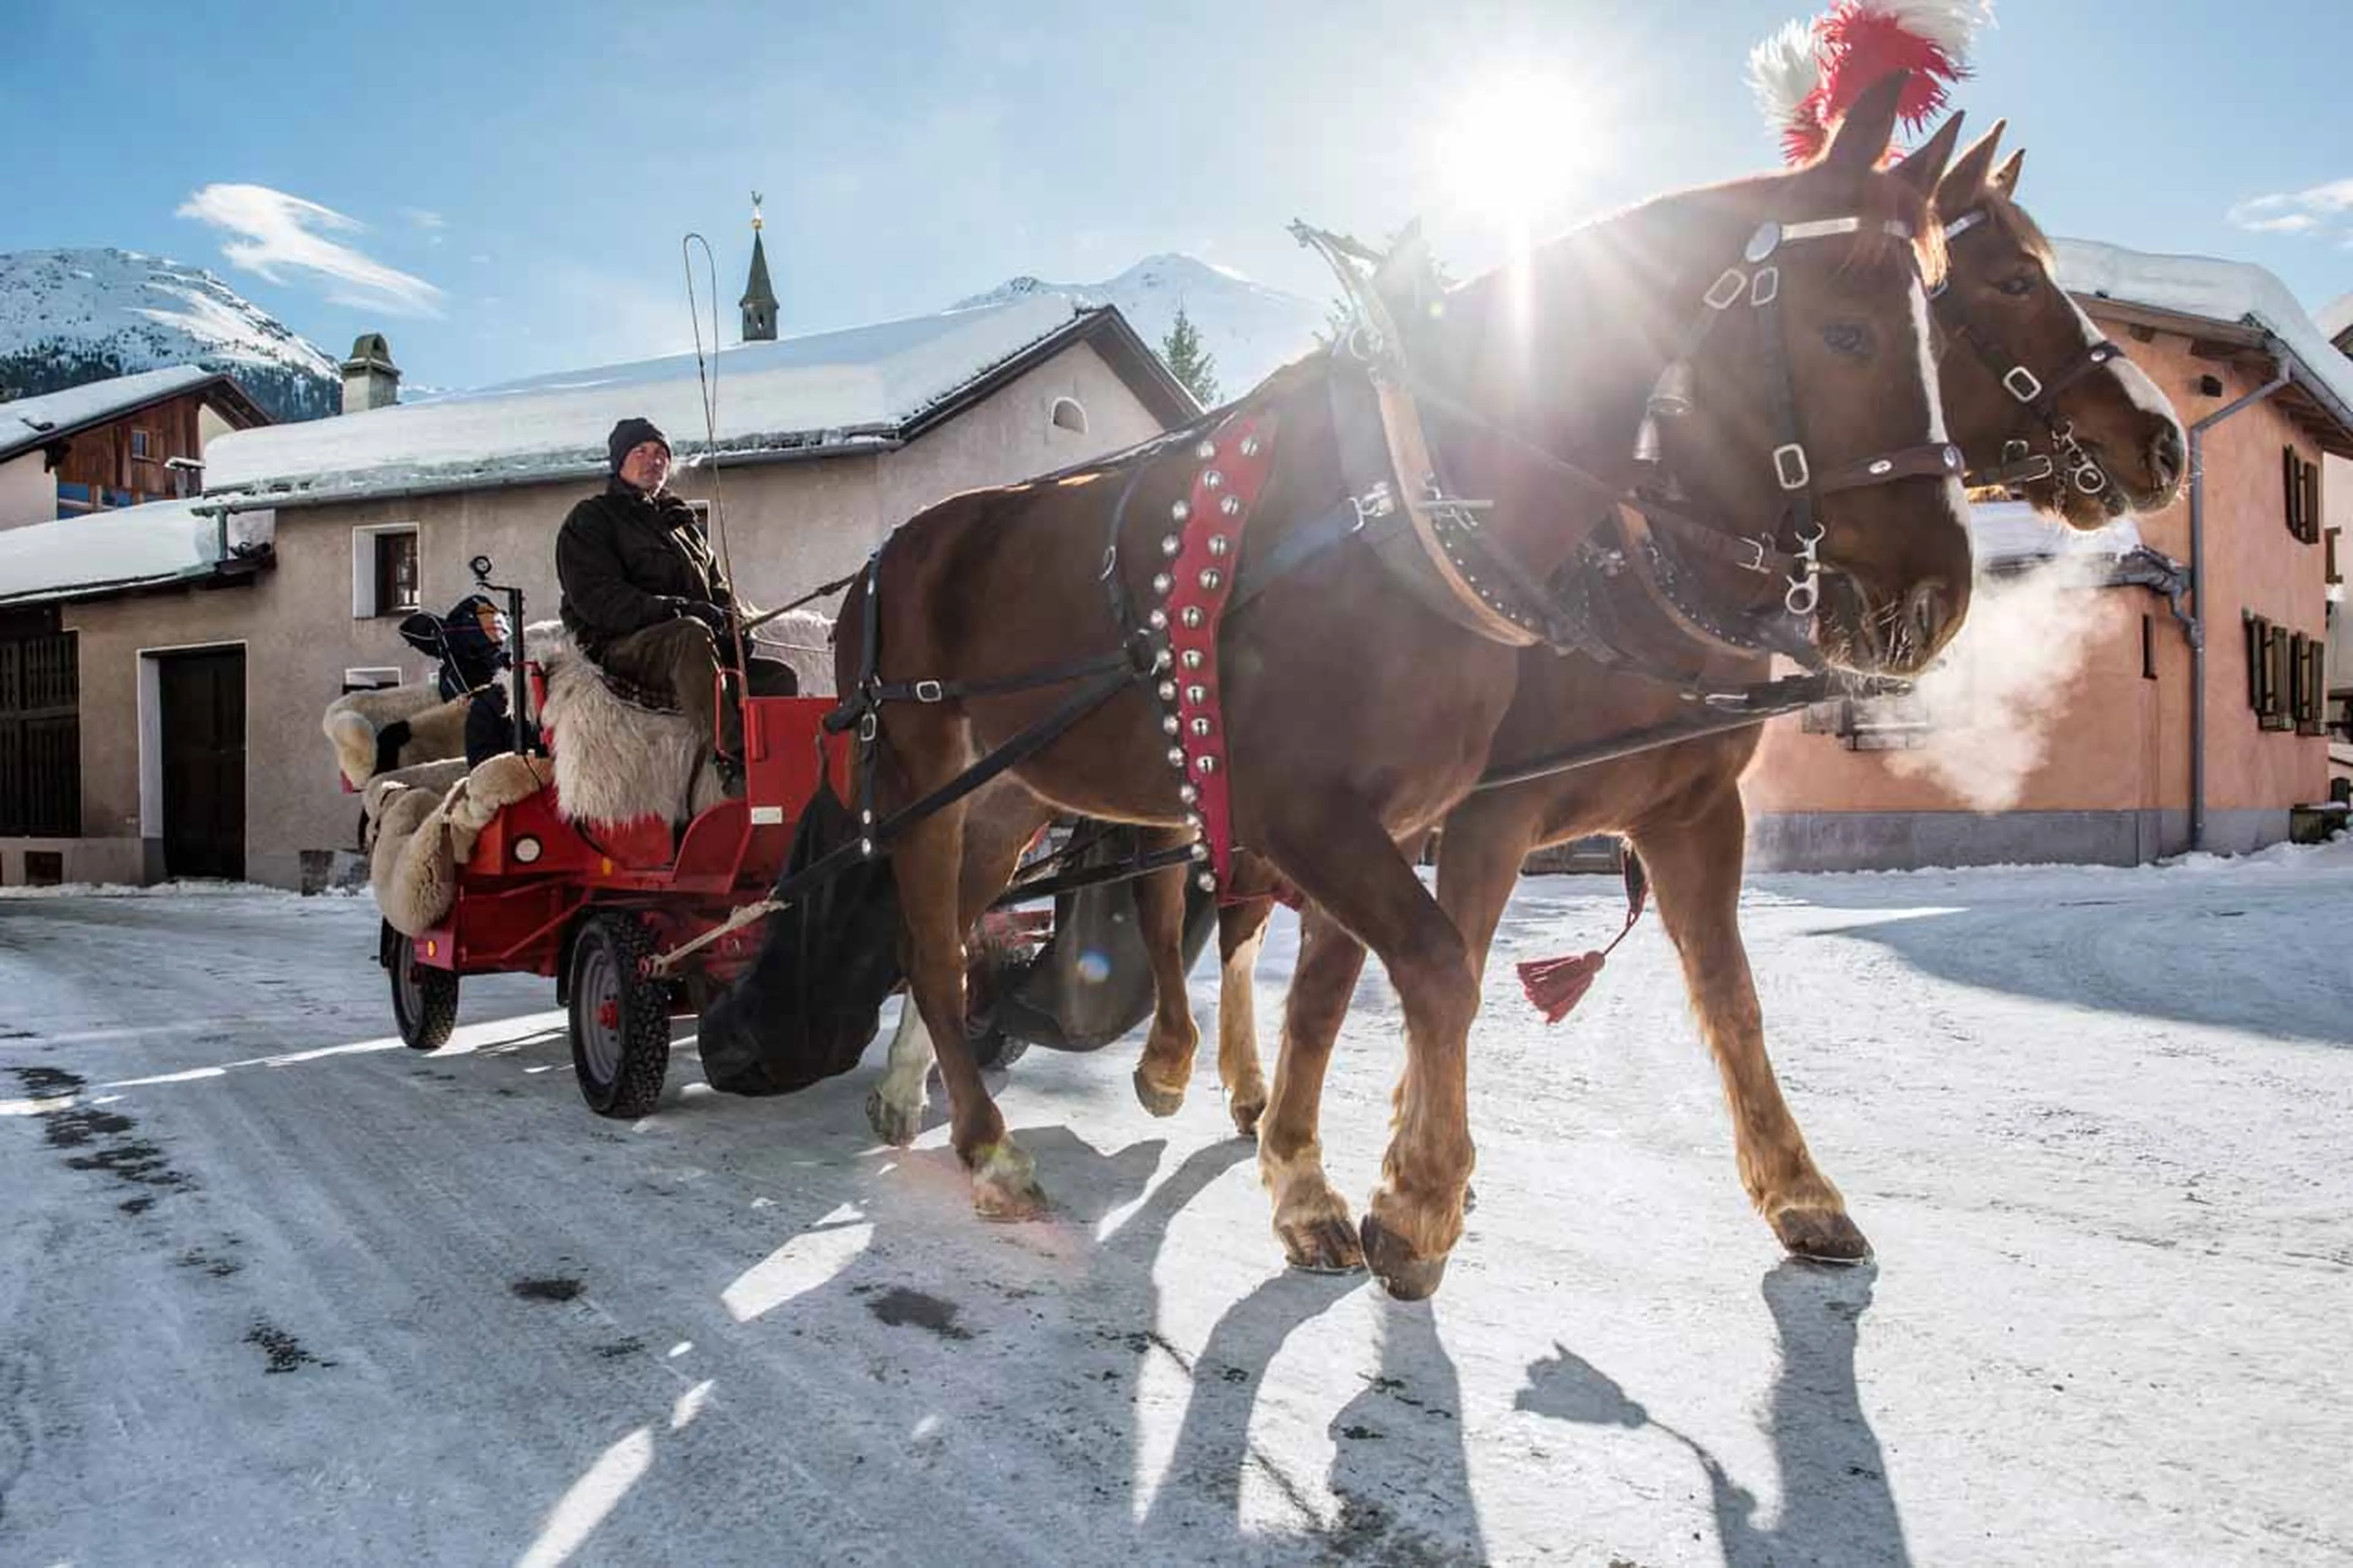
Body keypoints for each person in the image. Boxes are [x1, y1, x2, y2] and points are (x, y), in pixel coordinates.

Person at [556, 417, 797, 783]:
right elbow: (600, 600)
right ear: (619, 461)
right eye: (641, 451)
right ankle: (736, 762)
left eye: (661, 453)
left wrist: (734, 623)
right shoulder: (592, 519)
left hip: (697, 652)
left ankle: (785, 766)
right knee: (689, 634)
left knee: (779, 678)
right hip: (623, 647)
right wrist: (680, 610)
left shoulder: (683, 525)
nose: (654, 460)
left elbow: (718, 588)